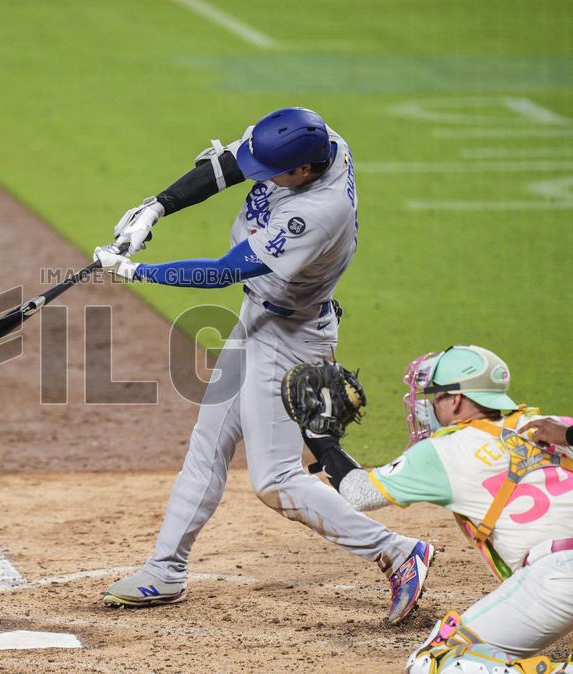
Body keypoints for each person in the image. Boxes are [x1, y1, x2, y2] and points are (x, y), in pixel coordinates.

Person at [93, 107, 431, 624]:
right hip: (259, 318)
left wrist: (135, 270)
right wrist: (157, 207)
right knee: (207, 446)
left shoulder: (317, 213)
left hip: (290, 337)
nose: (256, 176)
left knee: (275, 480)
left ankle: (396, 552)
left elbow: (223, 272)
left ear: (302, 172)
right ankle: (165, 569)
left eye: (270, 172)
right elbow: (229, 163)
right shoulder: (316, 138)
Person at [293, 345, 573, 672]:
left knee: (434, 663)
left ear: (455, 400)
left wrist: (321, 439)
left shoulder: (444, 450)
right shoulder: (551, 425)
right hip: (557, 577)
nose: (427, 405)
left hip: (558, 580)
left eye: (435, 396)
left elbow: (358, 492)